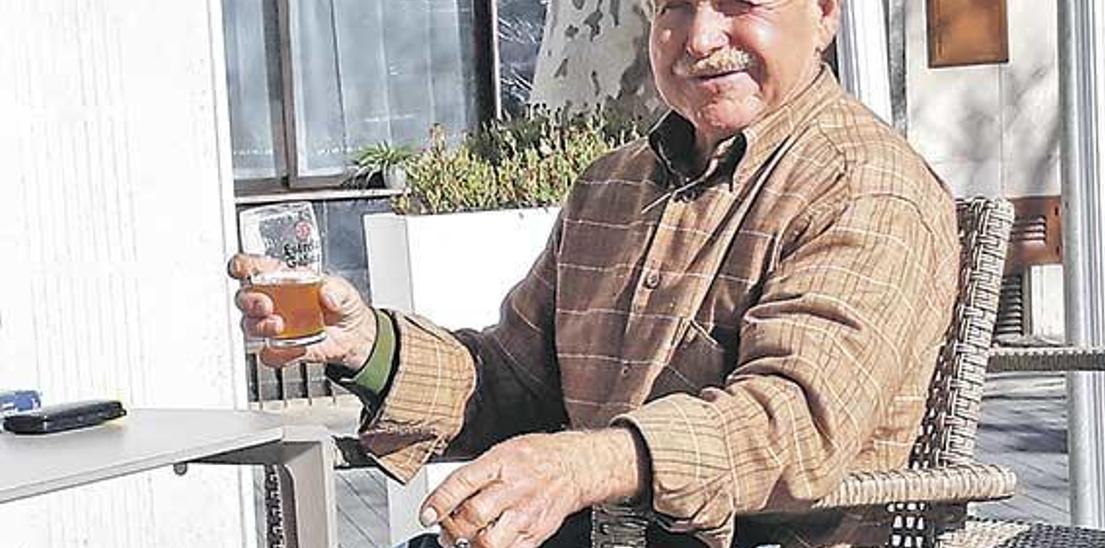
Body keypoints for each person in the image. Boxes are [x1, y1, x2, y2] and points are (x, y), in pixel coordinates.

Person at [229, 0, 959, 545]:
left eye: (741, 1)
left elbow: (794, 422)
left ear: (824, 13)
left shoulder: (867, 187)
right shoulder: (613, 186)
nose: (701, 37)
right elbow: (513, 381)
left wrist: (586, 465)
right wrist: (368, 347)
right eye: (674, 5)